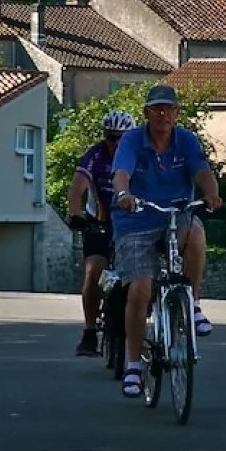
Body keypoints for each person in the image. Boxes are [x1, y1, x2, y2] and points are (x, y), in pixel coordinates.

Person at [110, 85, 223, 398]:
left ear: (176, 114)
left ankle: (194, 304)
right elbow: (121, 172)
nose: (163, 114)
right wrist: (124, 194)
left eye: (168, 108)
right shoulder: (133, 140)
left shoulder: (185, 140)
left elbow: (201, 171)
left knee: (197, 234)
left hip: (175, 214)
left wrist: (211, 192)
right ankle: (133, 364)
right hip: (136, 220)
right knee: (141, 287)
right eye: (157, 108)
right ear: (146, 113)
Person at [67, 109, 136, 356]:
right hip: (100, 222)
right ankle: (88, 332)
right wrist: (74, 214)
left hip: (131, 225)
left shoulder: (140, 156)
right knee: (93, 270)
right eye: (111, 137)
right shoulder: (95, 155)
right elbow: (78, 187)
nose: (116, 144)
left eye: (122, 138)